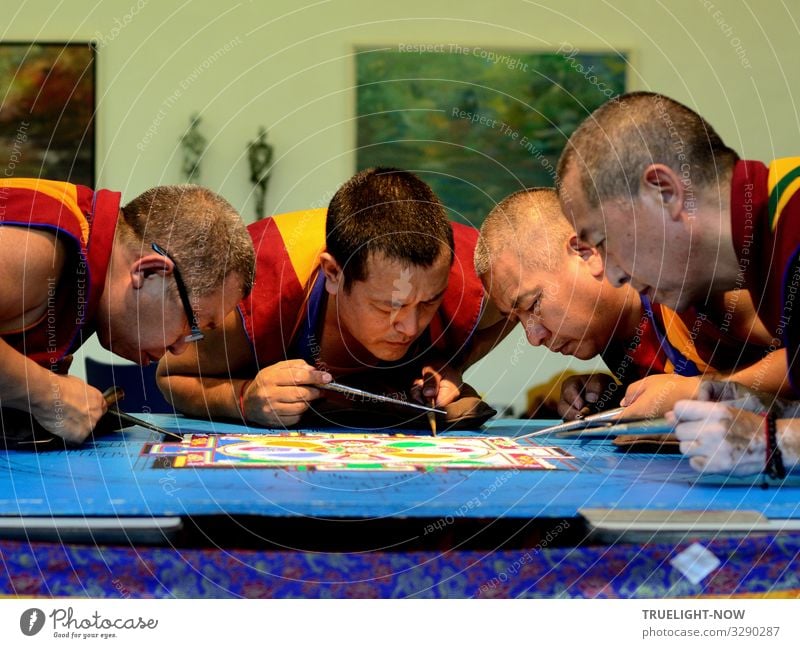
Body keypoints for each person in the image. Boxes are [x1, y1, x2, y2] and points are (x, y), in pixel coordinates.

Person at [557, 90, 800, 475]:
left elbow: (772, 437)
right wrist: (730, 396)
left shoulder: (793, 225)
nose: (615, 275)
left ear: (664, 192)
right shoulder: (768, 250)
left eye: (604, 241)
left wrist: (772, 442)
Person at [157, 167, 493, 428]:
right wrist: (242, 400)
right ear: (333, 274)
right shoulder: (259, 282)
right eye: (389, 305)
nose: (409, 327)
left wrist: (453, 364)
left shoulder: (473, 269)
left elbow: (514, 309)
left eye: (429, 303)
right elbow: (170, 375)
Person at [474, 187, 778, 420]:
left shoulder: (685, 277)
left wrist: (704, 391)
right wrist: (616, 394)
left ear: (585, 252)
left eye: (534, 304)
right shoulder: (611, 332)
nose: (533, 337)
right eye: (518, 319)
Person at [0, 179, 255, 444]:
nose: (180, 349)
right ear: (148, 272)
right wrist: (45, 393)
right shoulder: (41, 245)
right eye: (191, 325)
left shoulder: (86, 289)